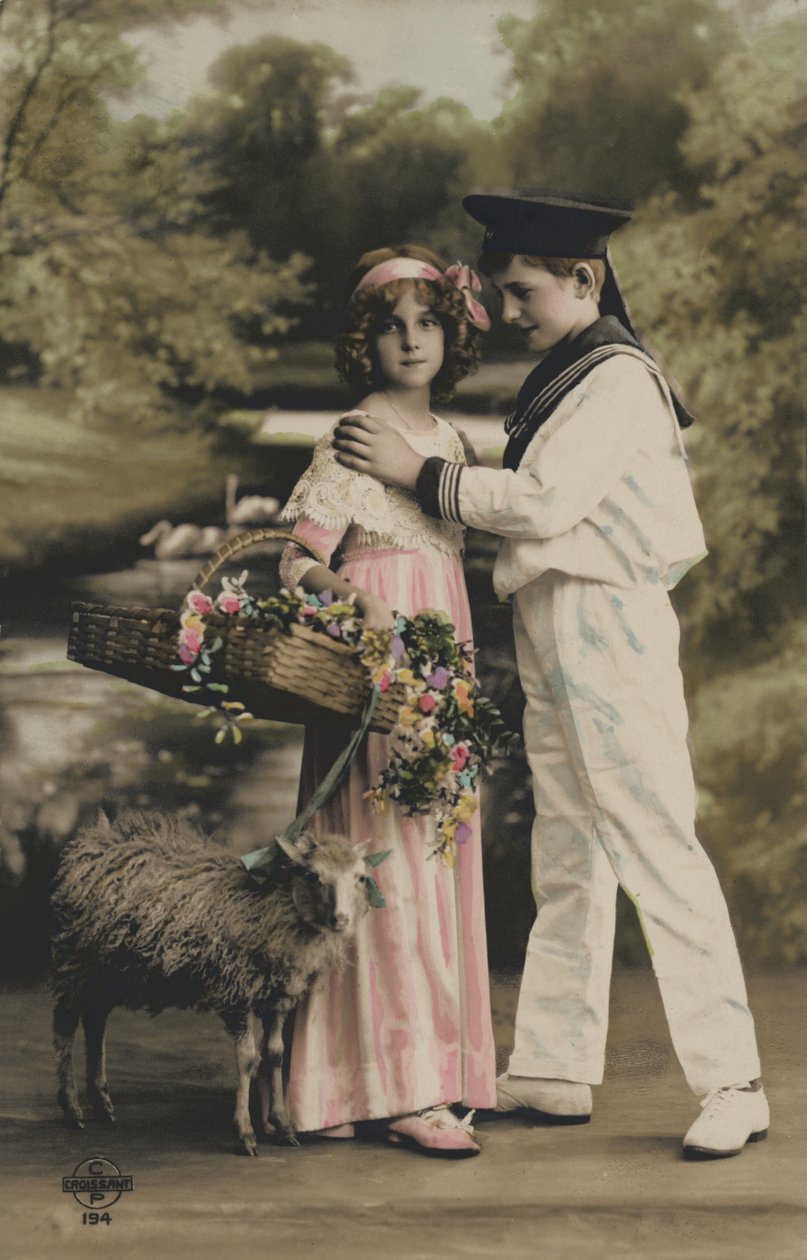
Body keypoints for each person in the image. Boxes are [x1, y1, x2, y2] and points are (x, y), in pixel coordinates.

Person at [332, 193, 768, 1161]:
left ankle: (733, 1079)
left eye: (523, 289)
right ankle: (560, 1062)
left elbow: (541, 501)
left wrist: (416, 471)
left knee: (653, 838)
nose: (510, 307)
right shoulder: (574, 372)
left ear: (585, 279)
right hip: (557, 616)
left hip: (607, 615)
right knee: (571, 843)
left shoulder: (616, 380)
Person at [265, 244, 496, 1157]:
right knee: (383, 859)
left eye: (428, 323)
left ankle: (440, 1068)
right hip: (377, 664)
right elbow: (293, 561)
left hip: (443, 661)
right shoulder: (352, 437)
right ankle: (390, 1084)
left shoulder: (451, 444)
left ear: (449, 336)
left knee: (436, 849)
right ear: (367, 342)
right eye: (393, 326)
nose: (411, 341)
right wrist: (356, 596)